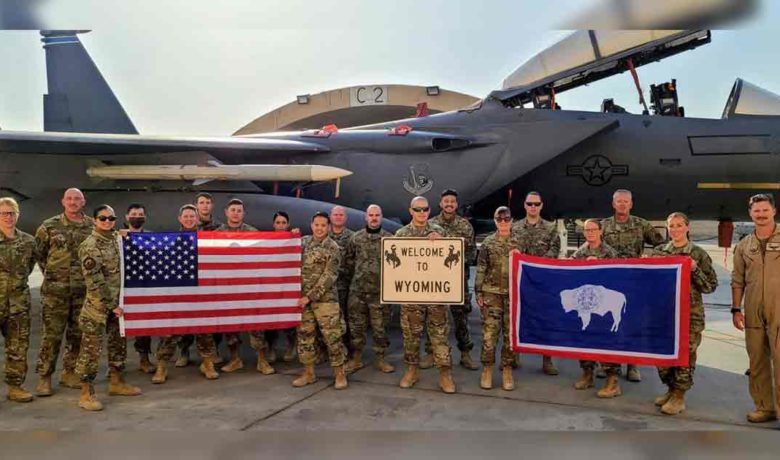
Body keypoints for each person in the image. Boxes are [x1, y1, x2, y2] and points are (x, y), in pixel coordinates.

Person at [74, 205, 141, 411]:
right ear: (94, 220)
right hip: (98, 308)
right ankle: (86, 393)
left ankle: (116, 382)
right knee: (90, 352)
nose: (107, 221)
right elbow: (94, 281)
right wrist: (113, 305)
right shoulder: (90, 246)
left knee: (118, 346)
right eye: (102, 218)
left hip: (117, 308)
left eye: (111, 218)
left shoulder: (116, 240)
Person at [650, 212, 718, 415]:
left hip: (690, 315)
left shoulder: (698, 254)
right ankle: (670, 389)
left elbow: (710, 287)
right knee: (663, 356)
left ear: (687, 228)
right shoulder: (660, 252)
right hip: (664, 314)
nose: (676, 229)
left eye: (680, 225)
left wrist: (695, 269)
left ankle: (679, 396)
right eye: (672, 226)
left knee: (685, 356)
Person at [34, 188, 94, 396]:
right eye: (69, 198)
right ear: (63, 201)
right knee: (51, 336)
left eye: (77, 199)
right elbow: (40, 254)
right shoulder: (49, 226)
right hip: (55, 293)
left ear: (83, 202)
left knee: (77, 335)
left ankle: (70, 372)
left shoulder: (92, 226)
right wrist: (54, 275)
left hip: (82, 292)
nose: (73, 202)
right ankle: (44, 377)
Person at [601, 189, 665, 382]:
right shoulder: (603, 225)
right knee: (608, 323)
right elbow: (593, 244)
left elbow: (662, 245)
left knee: (632, 323)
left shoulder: (641, 224)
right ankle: (608, 364)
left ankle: (632, 365)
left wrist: (651, 257)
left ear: (631, 204)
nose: (622, 204)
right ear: (613, 204)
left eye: (625, 201)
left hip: (634, 282)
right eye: (619, 201)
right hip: (611, 281)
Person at [151, 205, 220, 383]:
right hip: (178, 293)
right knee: (170, 331)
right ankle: (162, 366)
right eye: (186, 216)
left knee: (205, 330)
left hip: (201, 293)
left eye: (192, 216)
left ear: (198, 219)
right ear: (180, 219)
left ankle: (207, 363)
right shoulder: (170, 240)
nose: (189, 219)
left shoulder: (207, 239)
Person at [395, 196, 455, 394]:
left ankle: (444, 375)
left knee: (439, 337)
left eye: (425, 209)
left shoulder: (440, 232)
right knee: (411, 336)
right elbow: (394, 266)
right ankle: (411, 371)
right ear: (410, 211)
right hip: (411, 296)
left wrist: (442, 243)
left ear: (429, 211)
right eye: (417, 209)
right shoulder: (401, 235)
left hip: (436, 296)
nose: (421, 212)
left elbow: (451, 261)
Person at [732, 193, 780, 423]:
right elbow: (737, 280)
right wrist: (735, 309)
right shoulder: (744, 245)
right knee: (757, 360)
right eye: (756, 211)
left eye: (765, 210)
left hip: (779, 309)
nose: (761, 215)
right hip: (753, 311)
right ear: (750, 214)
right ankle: (765, 407)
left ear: (774, 211)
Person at [216, 199, 274, 375]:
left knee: (256, 326)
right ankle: (235, 359)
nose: (235, 213)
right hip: (228, 288)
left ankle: (262, 360)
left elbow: (261, 257)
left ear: (243, 213)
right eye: (232, 210)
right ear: (226, 212)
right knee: (230, 327)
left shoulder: (253, 233)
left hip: (249, 288)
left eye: (239, 210)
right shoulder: (217, 234)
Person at [292, 211, 348, 390]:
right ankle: (308, 373)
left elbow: (329, 276)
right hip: (303, 300)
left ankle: (340, 374)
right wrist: (289, 236)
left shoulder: (332, 247)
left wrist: (310, 297)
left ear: (329, 227)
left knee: (332, 338)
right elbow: (286, 252)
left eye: (323, 225)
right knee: (305, 337)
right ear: (311, 225)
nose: (319, 228)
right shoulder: (303, 242)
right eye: (316, 224)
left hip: (325, 301)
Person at [570, 219, 622, 398]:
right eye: (587, 230)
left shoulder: (610, 252)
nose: (590, 233)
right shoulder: (579, 253)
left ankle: (612, 380)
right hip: (587, 306)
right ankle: (587, 373)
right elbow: (569, 274)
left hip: (605, 307)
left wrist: (599, 264)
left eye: (593, 229)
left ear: (601, 231)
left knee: (607, 341)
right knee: (585, 338)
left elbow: (618, 278)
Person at [512, 191, 560, 376]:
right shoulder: (515, 228)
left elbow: (555, 249)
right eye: (530, 204)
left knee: (544, 320)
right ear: (524, 205)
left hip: (542, 281)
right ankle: (513, 356)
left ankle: (547, 359)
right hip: (520, 281)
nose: (533, 207)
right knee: (516, 318)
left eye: (536, 204)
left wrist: (536, 266)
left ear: (541, 206)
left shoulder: (551, 228)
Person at [343, 204, 395, 374]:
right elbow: (348, 263)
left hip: (380, 294)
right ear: (366, 217)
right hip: (358, 293)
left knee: (381, 329)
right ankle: (356, 358)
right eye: (371, 215)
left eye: (377, 215)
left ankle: (380, 359)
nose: (374, 218)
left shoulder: (389, 239)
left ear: (381, 217)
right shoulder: (356, 238)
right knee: (356, 328)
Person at [429, 189, 477, 371]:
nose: (449, 204)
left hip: (457, 279)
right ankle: (431, 353)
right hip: (435, 279)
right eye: (446, 201)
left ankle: (465, 354)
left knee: (461, 317)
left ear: (456, 205)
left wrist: (447, 244)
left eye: (452, 202)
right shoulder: (431, 224)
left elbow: (471, 252)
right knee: (433, 317)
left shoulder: (465, 226)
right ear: (441, 204)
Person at [475, 206, 520, 391]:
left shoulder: (520, 242)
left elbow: (529, 266)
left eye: (506, 219)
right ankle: (487, 369)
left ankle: (507, 369)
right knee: (489, 335)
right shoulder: (488, 243)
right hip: (491, 294)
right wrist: (478, 292)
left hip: (512, 295)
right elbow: (481, 268)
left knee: (509, 336)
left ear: (512, 220)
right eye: (499, 219)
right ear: (494, 221)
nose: (503, 222)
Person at [179, 192, 223, 366]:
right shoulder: (178, 234)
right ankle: (184, 351)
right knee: (185, 319)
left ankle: (212, 352)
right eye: (201, 202)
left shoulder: (218, 229)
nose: (205, 205)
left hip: (208, 280)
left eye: (208, 202)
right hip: (187, 281)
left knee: (211, 319)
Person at [0, 197, 37, 403]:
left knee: (18, 347)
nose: (8, 217)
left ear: (17, 215)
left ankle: (15, 386)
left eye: (11, 213)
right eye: (4, 213)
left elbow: (30, 267)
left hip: (18, 304)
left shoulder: (28, 242)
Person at [123, 203, 156, 375]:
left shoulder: (151, 238)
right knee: (118, 326)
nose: (137, 216)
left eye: (140, 214)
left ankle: (144, 358)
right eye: (134, 213)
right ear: (127, 217)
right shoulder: (118, 237)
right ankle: (117, 363)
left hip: (144, 287)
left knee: (143, 325)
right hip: (122, 286)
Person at [264, 211, 299, 363]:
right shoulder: (266, 240)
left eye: (284, 223)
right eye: (278, 223)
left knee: (288, 318)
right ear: (273, 224)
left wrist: (294, 236)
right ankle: (271, 348)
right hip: (270, 286)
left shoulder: (292, 239)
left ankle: (292, 345)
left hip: (286, 285)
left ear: (288, 224)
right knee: (270, 321)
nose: (281, 225)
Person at [329, 206, 354, 354]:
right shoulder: (323, 235)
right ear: (331, 217)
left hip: (345, 287)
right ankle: (325, 350)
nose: (338, 217)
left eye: (341, 215)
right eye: (335, 214)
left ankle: (346, 350)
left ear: (345, 217)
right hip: (326, 288)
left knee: (345, 319)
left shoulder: (352, 237)